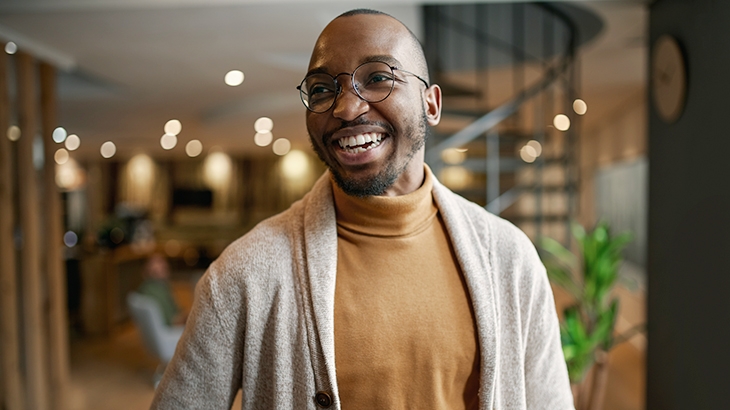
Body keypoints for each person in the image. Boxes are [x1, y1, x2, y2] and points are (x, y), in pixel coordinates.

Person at [151, 9, 573, 410]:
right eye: (321, 89)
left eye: (377, 78)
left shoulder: (509, 259)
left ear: (431, 103)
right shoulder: (244, 272)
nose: (346, 108)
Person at [138, 253, 186, 326]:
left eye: (163, 261)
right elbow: (172, 321)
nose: (164, 265)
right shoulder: (153, 291)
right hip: (171, 331)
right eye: (158, 262)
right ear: (147, 267)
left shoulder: (160, 286)